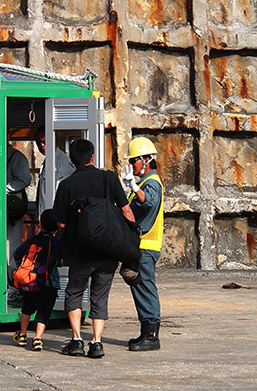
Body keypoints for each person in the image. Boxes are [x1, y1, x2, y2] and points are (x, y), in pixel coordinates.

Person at [52, 139, 135, 358]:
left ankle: (77, 340)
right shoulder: (108, 178)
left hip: (80, 252)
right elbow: (126, 210)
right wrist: (133, 235)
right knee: (100, 296)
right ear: (92, 157)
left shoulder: (66, 185)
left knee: (74, 293)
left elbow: (59, 223)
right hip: (108, 250)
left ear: (71, 161)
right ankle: (97, 343)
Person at [123, 137, 164, 351]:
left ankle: (152, 337)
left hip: (146, 247)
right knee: (139, 287)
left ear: (146, 160)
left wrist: (133, 187)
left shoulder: (151, 183)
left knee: (146, 288)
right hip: (141, 247)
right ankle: (145, 333)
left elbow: (148, 201)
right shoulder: (144, 183)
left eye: (134, 161)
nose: (132, 166)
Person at [11, 209, 61, 351]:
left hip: (31, 280)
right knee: (44, 310)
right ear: (57, 227)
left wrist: (25, 266)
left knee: (28, 306)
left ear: (40, 224)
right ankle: (37, 339)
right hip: (50, 281)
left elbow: (17, 253)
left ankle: (22, 334)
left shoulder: (34, 239)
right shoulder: (58, 242)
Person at [35, 126, 74, 218]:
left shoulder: (61, 161)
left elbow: (64, 193)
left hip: (55, 218)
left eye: (44, 142)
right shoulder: (48, 160)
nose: (41, 145)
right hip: (47, 217)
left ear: (54, 140)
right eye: (38, 143)